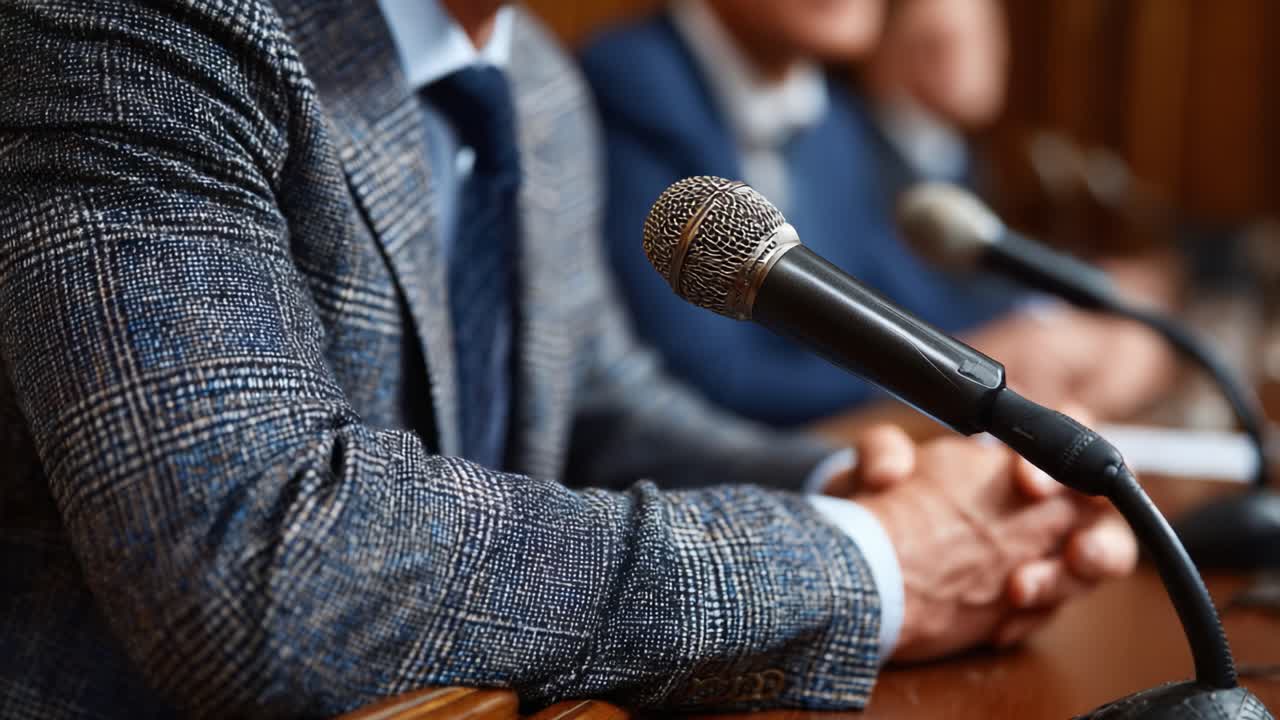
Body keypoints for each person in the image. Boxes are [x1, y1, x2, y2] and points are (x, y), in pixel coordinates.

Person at [0, 1, 1135, 717]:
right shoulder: (134, 23)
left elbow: (597, 412)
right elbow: (257, 573)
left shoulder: (534, 77)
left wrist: (847, 486)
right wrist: (869, 563)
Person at [579, 0, 1175, 429]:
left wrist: (1059, 329)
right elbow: (707, 379)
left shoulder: (832, 118)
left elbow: (910, 299)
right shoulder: (635, 82)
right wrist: (957, 367)